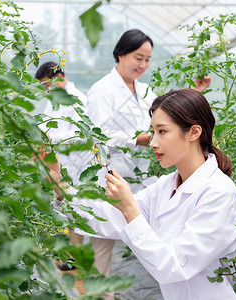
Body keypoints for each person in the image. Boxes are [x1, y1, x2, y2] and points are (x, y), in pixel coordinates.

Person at [48, 89, 236, 299]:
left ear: (194, 132)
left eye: (162, 131)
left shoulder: (219, 193)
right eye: (153, 132)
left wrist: (129, 208)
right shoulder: (166, 185)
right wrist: (60, 186)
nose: (153, 142)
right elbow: (108, 217)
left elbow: (173, 267)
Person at [86, 29, 210, 299]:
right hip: (113, 172)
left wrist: (195, 92)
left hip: (143, 175)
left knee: (150, 234)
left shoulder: (143, 90)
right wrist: (140, 139)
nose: (142, 65)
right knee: (103, 238)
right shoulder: (102, 90)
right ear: (120, 54)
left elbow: (167, 116)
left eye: (147, 59)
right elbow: (97, 134)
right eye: (138, 57)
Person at [35, 61, 90, 271]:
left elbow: (81, 133)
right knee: (60, 209)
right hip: (56, 163)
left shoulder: (77, 100)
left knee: (73, 209)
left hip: (73, 163)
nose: (45, 90)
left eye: (46, 85)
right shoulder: (53, 100)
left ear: (57, 78)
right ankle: (64, 256)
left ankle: (74, 259)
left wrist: (51, 137)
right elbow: (45, 124)